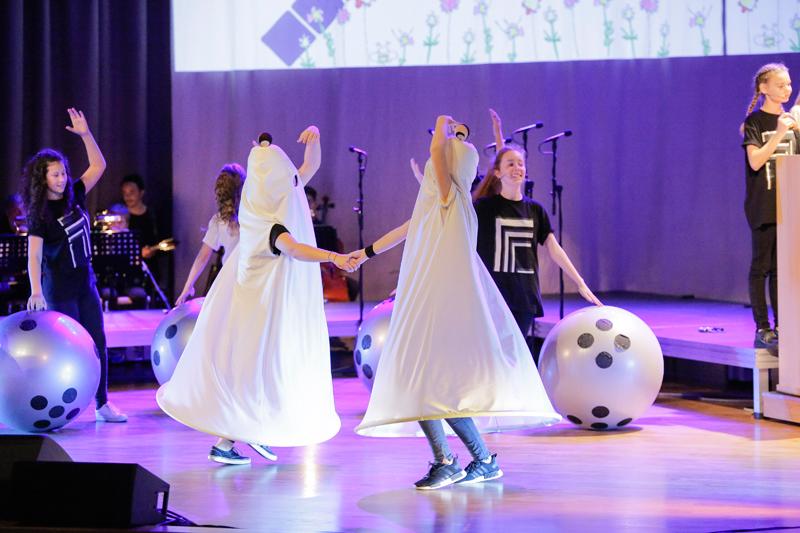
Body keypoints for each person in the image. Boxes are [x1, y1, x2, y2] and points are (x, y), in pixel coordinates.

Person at [353, 115, 561, 490]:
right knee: (424, 385)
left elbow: (438, 151)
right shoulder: (439, 206)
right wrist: (365, 254)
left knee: (431, 387)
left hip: (445, 314)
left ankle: (456, 460)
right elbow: (404, 232)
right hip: (433, 308)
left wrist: (441, 126)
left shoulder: (453, 201)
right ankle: (468, 460)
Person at [157, 126, 355, 465]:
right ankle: (242, 436)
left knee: (255, 378)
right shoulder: (270, 226)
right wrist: (334, 257)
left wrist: (315, 139)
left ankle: (239, 437)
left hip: (253, 313)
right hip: (261, 317)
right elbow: (296, 249)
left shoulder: (256, 210)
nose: (294, 182)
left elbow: (307, 169)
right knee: (261, 376)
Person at [22, 108, 127, 423]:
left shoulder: (75, 194)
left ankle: (102, 404)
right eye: (54, 174)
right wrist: (36, 291)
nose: (61, 179)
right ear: (42, 178)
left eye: (63, 173)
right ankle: (60, 407)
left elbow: (99, 166)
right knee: (65, 348)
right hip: (59, 289)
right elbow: (34, 256)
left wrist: (85, 134)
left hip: (85, 284)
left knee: (98, 342)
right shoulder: (39, 214)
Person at [472, 109, 601, 355]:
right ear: (497, 172)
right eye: (511, 164)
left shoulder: (535, 210)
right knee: (493, 354)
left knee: (513, 354)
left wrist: (580, 282)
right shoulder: (485, 208)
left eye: (521, 164)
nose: (517, 168)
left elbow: (554, 248)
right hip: (492, 295)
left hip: (524, 295)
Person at [741, 63, 800, 348]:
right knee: (761, 266)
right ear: (764, 88)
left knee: (781, 270)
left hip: (789, 206)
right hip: (764, 205)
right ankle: (762, 327)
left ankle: (783, 326)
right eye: (780, 85)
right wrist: (778, 133)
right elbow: (755, 161)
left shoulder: (792, 122)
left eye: (789, 84)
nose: (787, 89)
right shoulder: (755, 122)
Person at [175, 163, 245, 305]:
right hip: (251, 279)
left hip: (231, 281)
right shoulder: (254, 217)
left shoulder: (219, 221)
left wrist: (188, 286)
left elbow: (202, 257)